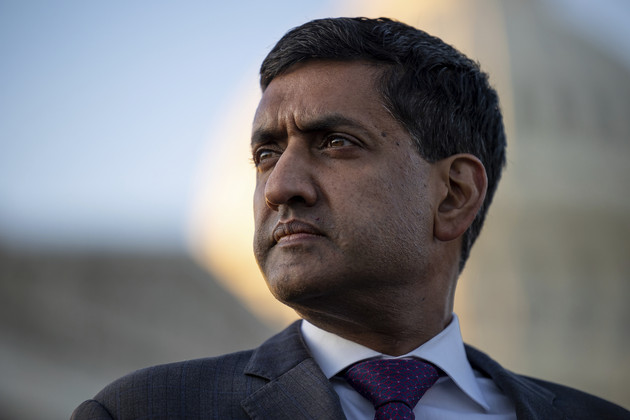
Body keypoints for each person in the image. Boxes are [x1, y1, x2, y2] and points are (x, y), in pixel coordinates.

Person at [71, 17, 629, 419]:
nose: (281, 187)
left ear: (455, 194)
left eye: (336, 143)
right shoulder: (146, 411)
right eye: (266, 154)